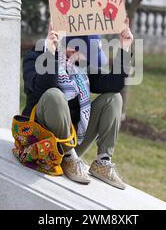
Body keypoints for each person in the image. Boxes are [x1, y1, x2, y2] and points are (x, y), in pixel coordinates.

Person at [22, 18, 134, 189]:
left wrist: (125, 47)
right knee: (54, 95)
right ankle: (68, 155)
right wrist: (51, 54)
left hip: (73, 145)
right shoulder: (34, 57)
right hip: (41, 141)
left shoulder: (80, 66)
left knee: (113, 98)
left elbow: (114, 85)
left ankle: (102, 161)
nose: (85, 58)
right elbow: (42, 89)